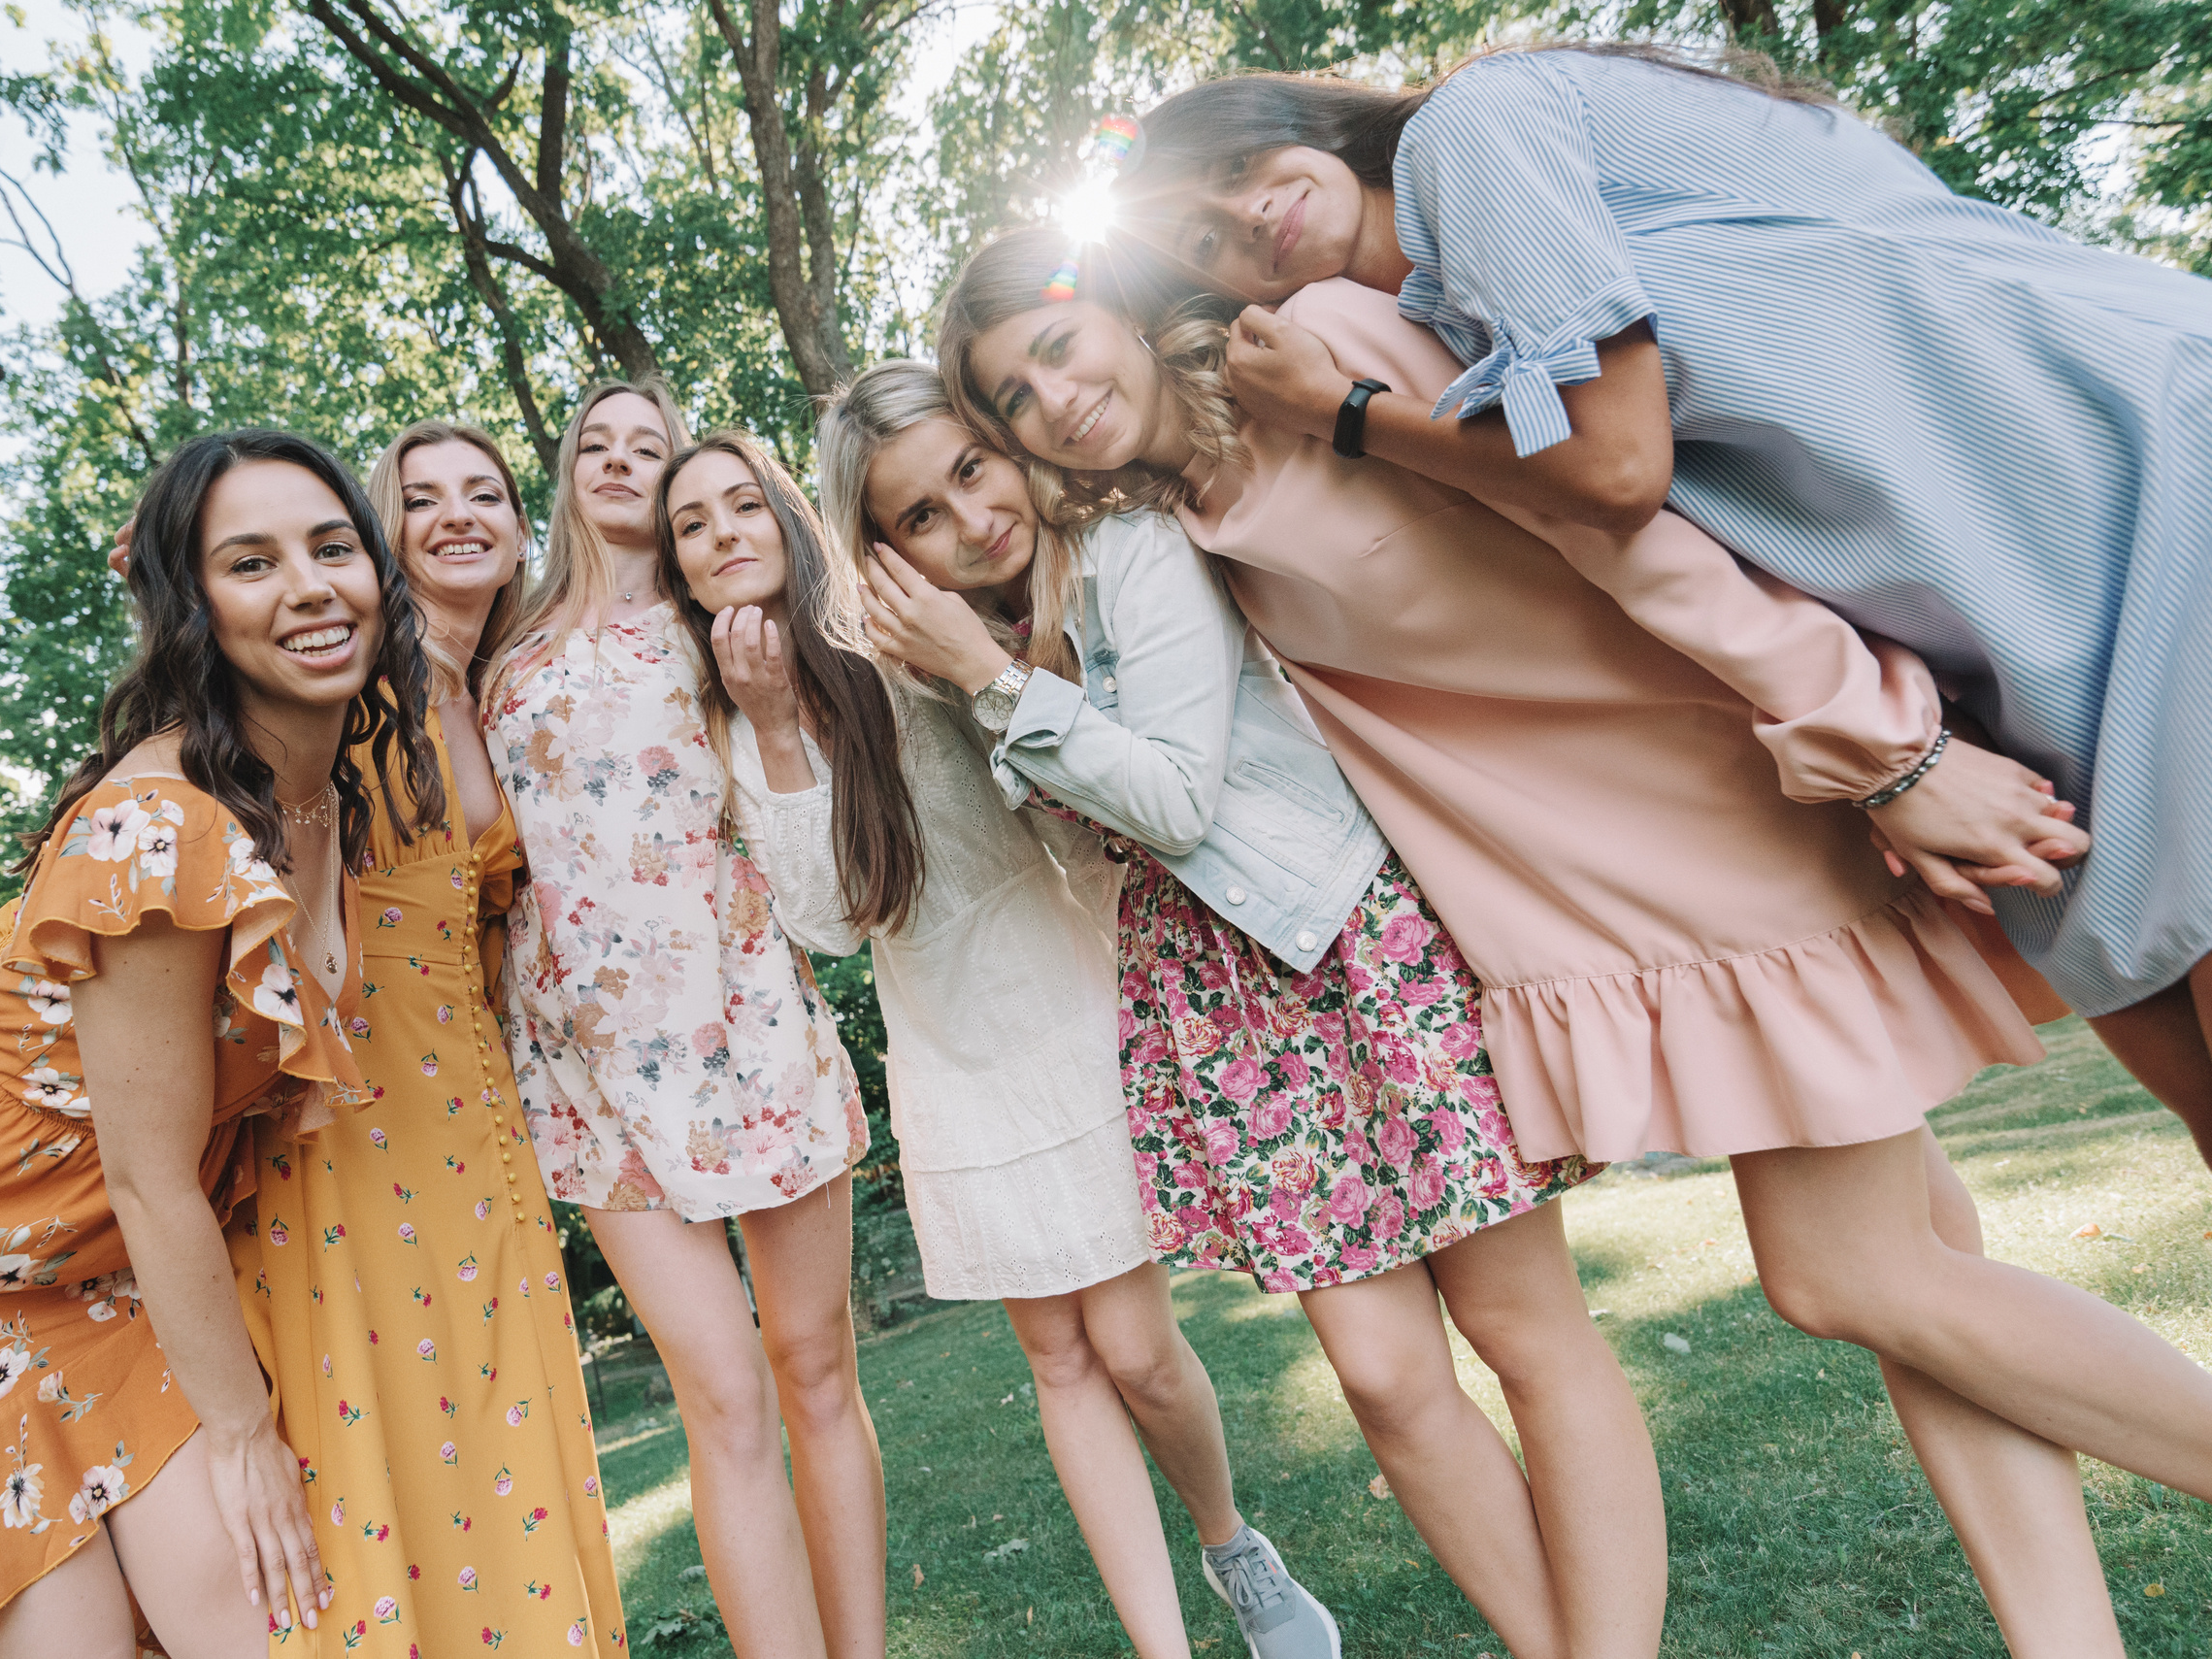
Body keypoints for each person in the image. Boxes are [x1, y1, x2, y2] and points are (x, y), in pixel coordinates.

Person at [938, 219, 2212, 1655]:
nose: (1054, 401)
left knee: (1843, 1271)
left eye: (1057, 348)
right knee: (1921, 1269)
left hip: (1718, 812)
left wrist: (1882, 743)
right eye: (1014, 400)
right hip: (1596, 888)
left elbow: (1620, 521)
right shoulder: (1180, 527)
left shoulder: (1336, 351)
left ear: (1113, 305)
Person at [1120, 49, 2212, 1165]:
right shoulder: (1448, 327)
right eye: (1202, 239)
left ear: (1299, 120)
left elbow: (1616, 469)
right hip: (2001, 625)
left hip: (2124, 486)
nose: (1244, 212)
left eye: (1238, 163)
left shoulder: (1474, 128)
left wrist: (1341, 411)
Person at [875, 308, 1662, 1652]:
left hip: (1354, 942)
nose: (970, 513)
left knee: (1525, 1331)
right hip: (1220, 1003)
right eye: (921, 516)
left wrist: (996, 680)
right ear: (900, 562)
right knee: (1385, 1378)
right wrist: (979, 678)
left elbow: (1176, 801)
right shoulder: (1003, 653)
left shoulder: (1126, 546)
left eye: (971, 464)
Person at [0, 429, 442, 1658]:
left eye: (333, 546)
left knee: (263, 1630)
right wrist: (240, 1430)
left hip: (99, 1285)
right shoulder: (160, 823)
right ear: (192, 605)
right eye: (251, 562)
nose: (311, 586)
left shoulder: (322, 794)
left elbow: (44, 969)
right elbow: (150, 1170)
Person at [656, 414, 1339, 1659]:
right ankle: (1163, 1644)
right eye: (690, 525)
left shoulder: (903, 623)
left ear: (791, 516)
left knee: (1133, 1344)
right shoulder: (731, 713)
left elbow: (1050, 769)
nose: (720, 536)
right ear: (681, 569)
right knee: (1058, 1356)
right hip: (948, 1046)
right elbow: (829, 923)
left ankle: (1233, 1544)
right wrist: (767, 725)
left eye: (739, 504)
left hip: (1065, 984)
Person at [489, 382, 884, 1658]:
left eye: (644, 448)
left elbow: (809, 805)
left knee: (815, 1371)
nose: (617, 462)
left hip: (750, 1028)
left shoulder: (727, 621)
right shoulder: (503, 645)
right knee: (721, 1391)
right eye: (593, 445)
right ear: (564, 475)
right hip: (587, 1070)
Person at [229, 419, 626, 1655]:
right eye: (420, 496)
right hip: (347, 1099)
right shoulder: (342, 678)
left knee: (499, 1407)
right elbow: (158, 835)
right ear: (388, 534)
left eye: (485, 493)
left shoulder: (502, 692)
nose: (457, 513)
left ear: (523, 530)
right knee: (383, 1414)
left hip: (476, 1099)